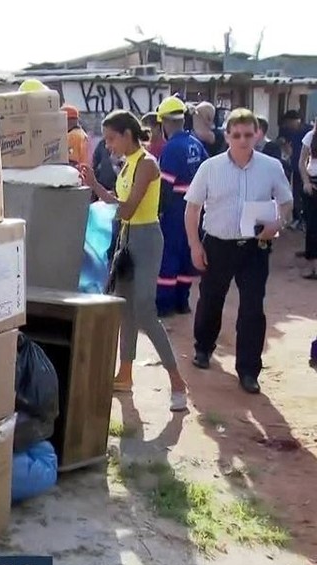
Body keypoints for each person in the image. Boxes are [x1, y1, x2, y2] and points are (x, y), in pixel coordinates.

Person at [80, 110, 188, 412]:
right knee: (124, 309)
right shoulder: (128, 165)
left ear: (128, 135)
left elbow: (126, 208)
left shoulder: (147, 164)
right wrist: (99, 190)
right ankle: (124, 375)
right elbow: (118, 203)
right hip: (126, 239)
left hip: (146, 237)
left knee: (144, 309)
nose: (109, 145)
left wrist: (97, 188)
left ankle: (177, 382)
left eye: (112, 139)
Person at [184, 108, 293, 395]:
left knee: (253, 308)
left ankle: (248, 370)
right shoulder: (211, 168)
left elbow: (286, 202)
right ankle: (203, 349)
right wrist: (195, 245)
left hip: (255, 247)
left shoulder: (271, 166)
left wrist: (277, 224)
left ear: (257, 134)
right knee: (210, 298)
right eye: (236, 135)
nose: (243, 141)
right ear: (227, 135)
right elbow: (192, 208)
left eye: (248, 134)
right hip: (218, 244)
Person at [154, 96, 209, 317]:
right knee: (187, 255)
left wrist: (159, 211)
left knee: (169, 255)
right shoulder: (196, 144)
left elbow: (165, 187)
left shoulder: (171, 149)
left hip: (176, 208)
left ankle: (164, 305)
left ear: (164, 123)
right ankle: (182, 302)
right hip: (197, 207)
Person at [298, 123, 317, 276]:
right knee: (312, 226)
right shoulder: (310, 136)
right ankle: (313, 266)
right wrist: (306, 181)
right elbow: (302, 162)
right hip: (313, 183)